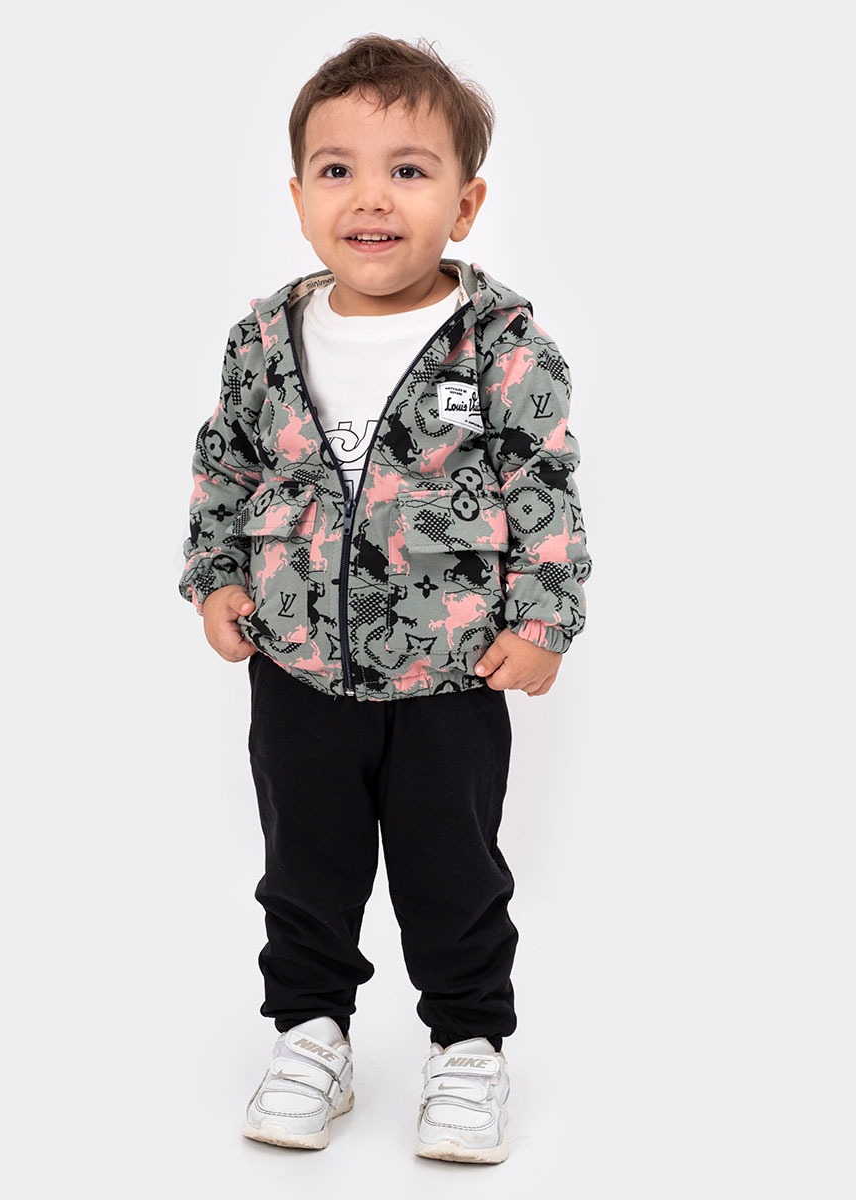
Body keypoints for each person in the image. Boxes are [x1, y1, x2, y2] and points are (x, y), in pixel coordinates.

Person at [178, 33, 591, 1164]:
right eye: (338, 169)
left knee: (452, 871)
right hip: (296, 665)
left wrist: (544, 620)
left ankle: (469, 1044)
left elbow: (544, 486)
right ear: (299, 197)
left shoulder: (503, 346)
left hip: (452, 675)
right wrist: (216, 577)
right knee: (304, 867)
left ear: (465, 203)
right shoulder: (264, 341)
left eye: (409, 170)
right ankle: (310, 1033)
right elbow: (226, 467)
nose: (371, 197)